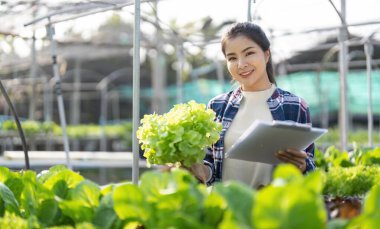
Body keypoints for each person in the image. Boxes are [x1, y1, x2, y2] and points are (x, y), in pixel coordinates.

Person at [190, 22, 316, 189]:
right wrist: (199, 171)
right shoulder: (216, 106)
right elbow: (210, 166)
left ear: (266, 54)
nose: (241, 64)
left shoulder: (294, 106)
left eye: (249, 53)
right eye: (232, 58)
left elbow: (310, 170)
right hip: (225, 208)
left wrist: (303, 166)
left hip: (270, 209)